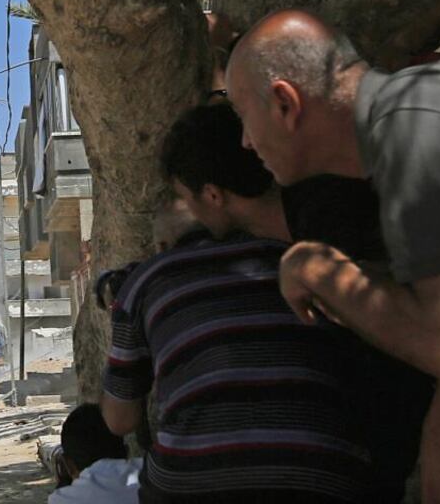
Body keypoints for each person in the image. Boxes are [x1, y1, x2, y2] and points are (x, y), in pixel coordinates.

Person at [226, 9, 440, 504]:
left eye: (243, 117)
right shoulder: (415, 112)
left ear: (285, 103)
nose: (244, 142)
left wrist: (315, 268)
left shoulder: (413, 123)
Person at [101, 103, 374, 503]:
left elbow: (119, 419)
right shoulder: (324, 248)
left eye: (186, 197)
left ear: (213, 195)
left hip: (192, 484)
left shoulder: (148, 280)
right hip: (326, 475)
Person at [49, 403, 141, 504]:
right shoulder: (149, 474)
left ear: (69, 465)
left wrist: (63, 485)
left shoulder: (62, 499)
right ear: (126, 451)